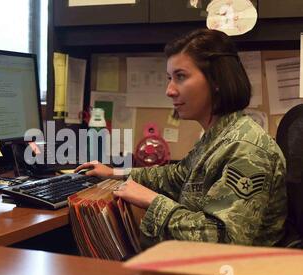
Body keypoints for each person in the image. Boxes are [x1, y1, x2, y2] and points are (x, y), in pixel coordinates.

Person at [76, 29, 287, 249]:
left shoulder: (246, 148)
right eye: (170, 78)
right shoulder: (217, 136)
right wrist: (114, 173)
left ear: (217, 80)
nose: (169, 90)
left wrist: (152, 201)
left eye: (181, 76)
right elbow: (176, 176)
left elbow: (223, 240)